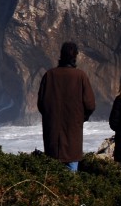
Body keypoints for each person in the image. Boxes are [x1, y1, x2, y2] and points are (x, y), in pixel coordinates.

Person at [37, 42, 96, 171]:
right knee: (71, 177)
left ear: (61, 55)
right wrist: (82, 118)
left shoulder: (49, 75)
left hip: (52, 134)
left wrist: (50, 117)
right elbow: (90, 104)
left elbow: (41, 104)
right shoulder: (80, 76)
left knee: (52, 176)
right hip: (73, 133)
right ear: (75, 56)